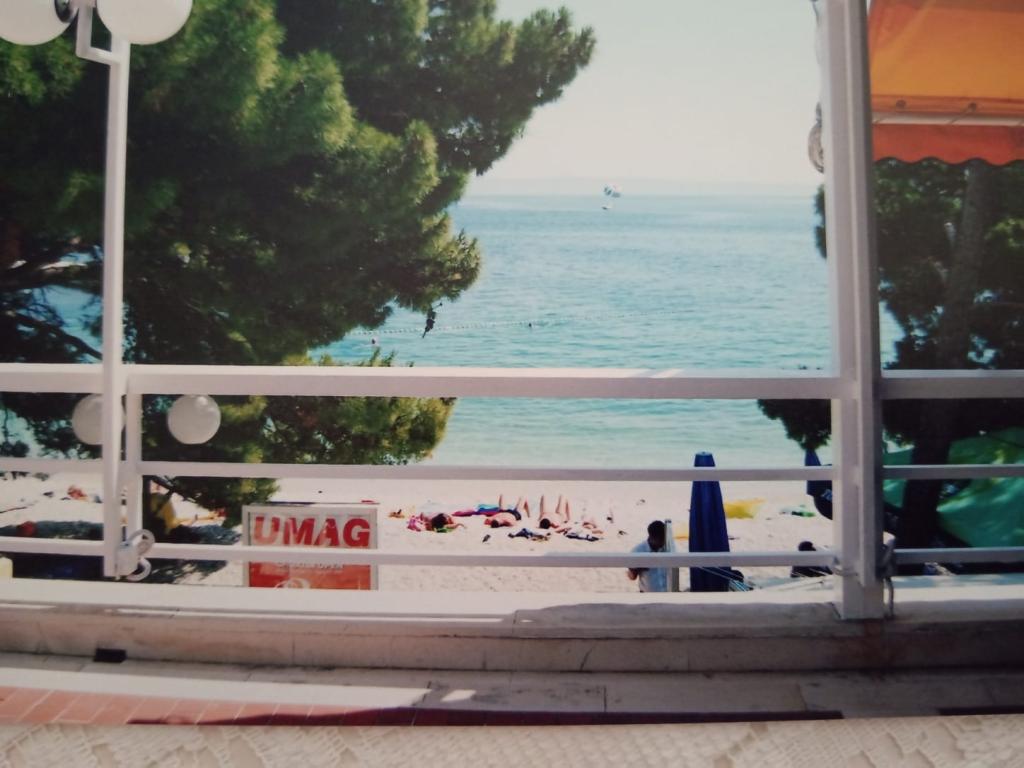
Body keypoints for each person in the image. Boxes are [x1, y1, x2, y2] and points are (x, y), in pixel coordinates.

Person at [627, 520, 669, 592]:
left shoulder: (667, 548)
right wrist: (638, 568)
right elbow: (632, 576)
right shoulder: (638, 551)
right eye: (662, 539)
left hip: (666, 592)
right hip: (647, 594)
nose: (664, 541)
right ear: (654, 538)